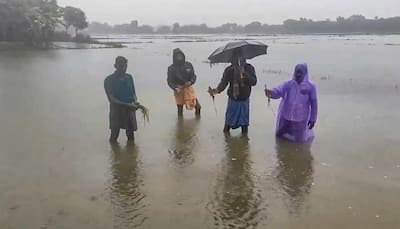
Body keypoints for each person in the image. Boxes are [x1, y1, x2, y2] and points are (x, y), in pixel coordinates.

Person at [265, 63, 318, 143]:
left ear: (304, 73)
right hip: (286, 116)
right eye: (297, 73)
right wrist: (271, 93)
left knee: (299, 141)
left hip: (300, 118)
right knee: (279, 136)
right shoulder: (288, 84)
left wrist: (313, 119)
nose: (298, 75)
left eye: (300, 73)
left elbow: (314, 104)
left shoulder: (310, 87)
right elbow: (279, 91)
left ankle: (298, 153)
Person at [209, 49, 257, 135]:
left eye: (240, 56)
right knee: (228, 123)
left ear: (244, 58)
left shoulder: (249, 68)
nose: (238, 59)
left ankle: (243, 143)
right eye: (236, 57)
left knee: (244, 124)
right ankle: (226, 140)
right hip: (233, 99)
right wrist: (216, 90)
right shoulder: (229, 70)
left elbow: (254, 82)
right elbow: (223, 83)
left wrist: (245, 75)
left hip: (244, 99)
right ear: (232, 58)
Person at [104, 56, 140, 143]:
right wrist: (127, 105)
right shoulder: (109, 80)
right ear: (115, 66)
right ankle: (115, 154)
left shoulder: (129, 77)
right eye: (121, 66)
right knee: (114, 134)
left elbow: (133, 93)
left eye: (125, 66)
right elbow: (111, 99)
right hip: (116, 110)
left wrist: (135, 101)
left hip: (130, 109)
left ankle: (131, 155)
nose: (123, 68)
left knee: (131, 135)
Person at [167, 48, 201, 117]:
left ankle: (197, 120)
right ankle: (180, 124)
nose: (179, 57)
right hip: (178, 89)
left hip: (188, 88)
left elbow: (193, 76)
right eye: (177, 56)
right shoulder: (171, 68)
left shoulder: (188, 65)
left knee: (197, 106)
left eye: (180, 55)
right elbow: (169, 81)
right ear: (174, 57)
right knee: (180, 109)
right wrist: (175, 88)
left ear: (183, 55)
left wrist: (191, 82)